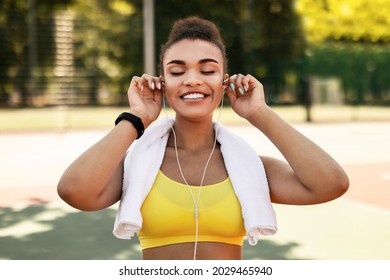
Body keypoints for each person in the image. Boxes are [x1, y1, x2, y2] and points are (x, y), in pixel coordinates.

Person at [57, 16, 349, 260]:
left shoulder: (250, 168)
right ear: (162, 82)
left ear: (224, 82)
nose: (192, 79)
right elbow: (74, 191)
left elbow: (331, 184)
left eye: (208, 70)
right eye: (177, 71)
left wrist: (258, 112)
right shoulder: (138, 165)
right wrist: (137, 118)